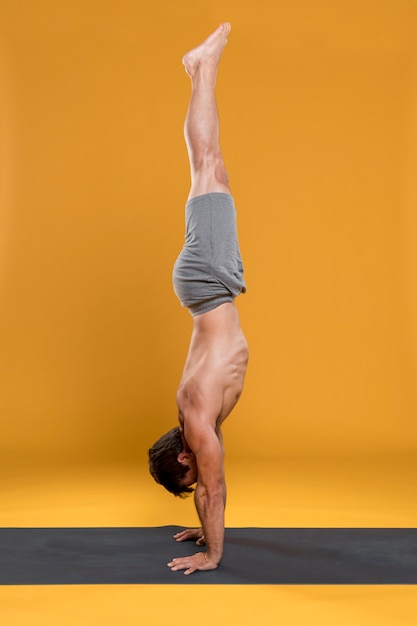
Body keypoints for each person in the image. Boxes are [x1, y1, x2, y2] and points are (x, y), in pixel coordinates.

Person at [148, 22, 248, 575]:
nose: (198, 481)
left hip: (208, 279)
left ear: (185, 455)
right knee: (212, 168)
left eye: (188, 476)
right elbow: (207, 491)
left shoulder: (200, 422)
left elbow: (214, 490)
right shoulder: (194, 416)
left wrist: (211, 553)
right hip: (209, 282)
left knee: (206, 162)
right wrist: (199, 527)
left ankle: (202, 66)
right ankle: (201, 70)